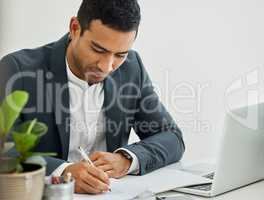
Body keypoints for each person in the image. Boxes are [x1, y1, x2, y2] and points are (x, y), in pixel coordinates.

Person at [0, 0, 185, 194]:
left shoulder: (132, 68)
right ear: (74, 28)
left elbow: (172, 137)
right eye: (98, 50)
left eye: (120, 55)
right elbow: (5, 152)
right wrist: (63, 171)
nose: (106, 67)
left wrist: (126, 159)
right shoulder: (17, 70)